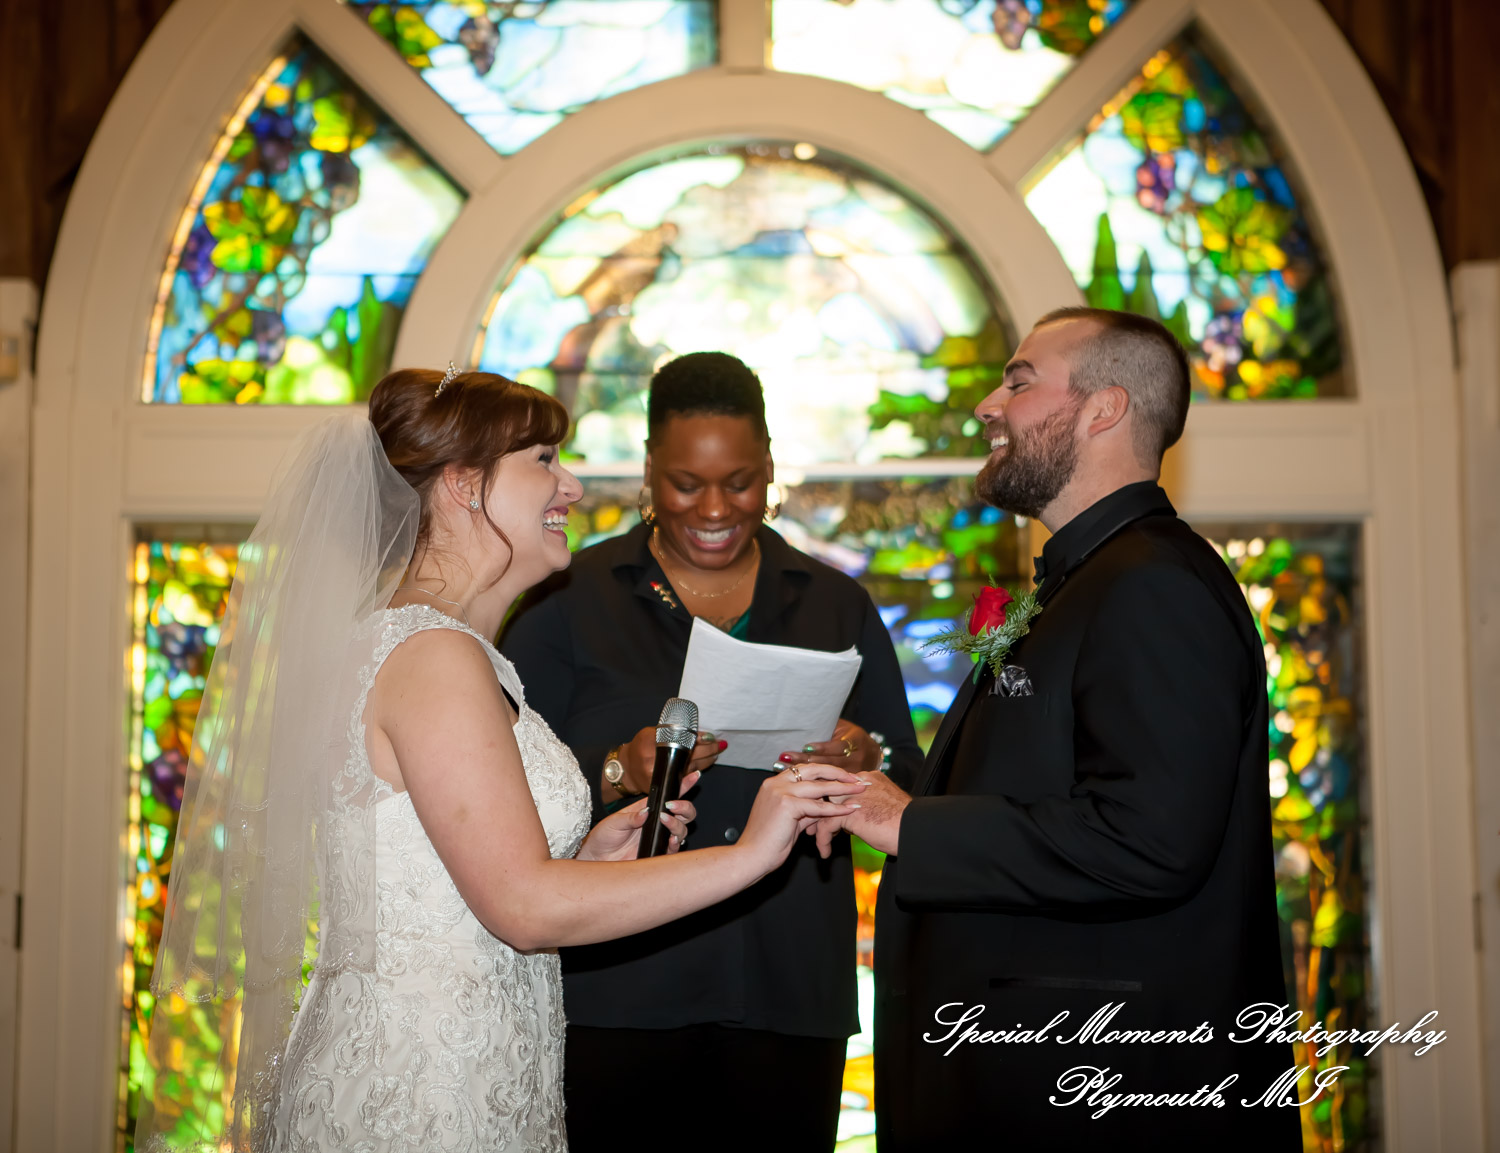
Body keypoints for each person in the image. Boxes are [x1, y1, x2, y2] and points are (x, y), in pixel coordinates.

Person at [134, 368, 866, 1152]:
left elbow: (463, 879)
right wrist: (757, 848)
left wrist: (586, 856)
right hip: (419, 1095)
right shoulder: (433, 655)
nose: (572, 486)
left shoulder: (459, 653)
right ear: (463, 486)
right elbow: (522, 908)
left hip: (478, 1065)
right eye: (544, 459)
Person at [810, 308, 1299, 1150]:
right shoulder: (1088, 581)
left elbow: (1150, 837)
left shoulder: (1152, 586)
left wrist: (908, 822)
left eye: (1020, 380)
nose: (988, 405)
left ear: (1103, 409)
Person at [500, 352, 922, 1148]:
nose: (717, 507)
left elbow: (907, 769)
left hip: (788, 976)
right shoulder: (566, 603)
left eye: (740, 481)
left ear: (769, 466)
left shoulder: (835, 602)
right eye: (686, 483)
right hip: (618, 984)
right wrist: (621, 767)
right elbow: (501, 788)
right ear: (650, 472)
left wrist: (861, 752)